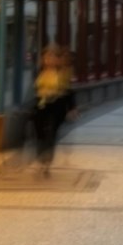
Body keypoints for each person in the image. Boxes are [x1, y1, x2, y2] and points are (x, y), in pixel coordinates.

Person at [31, 45, 77, 176]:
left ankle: (47, 162)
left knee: (51, 134)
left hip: (57, 107)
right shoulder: (39, 72)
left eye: (52, 56)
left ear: (57, 59)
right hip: (40, 107)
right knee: (39, 134)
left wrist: (72, 108)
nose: (49, 59)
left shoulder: (63, 73)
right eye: (46, 56)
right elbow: (34, 89)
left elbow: (70, 91)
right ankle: (41, 158)